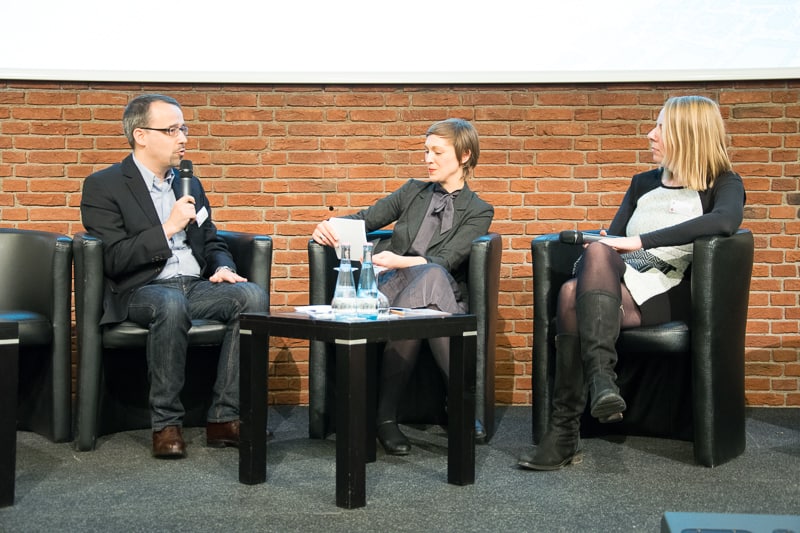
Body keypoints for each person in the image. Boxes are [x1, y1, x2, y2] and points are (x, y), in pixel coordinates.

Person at [518, 95, 746, 471]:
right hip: (627, 280)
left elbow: (724, 222)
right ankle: (602, 382)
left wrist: (641, 241)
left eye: (660, 127)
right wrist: (616, 244)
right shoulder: (643, 183)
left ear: (687, 134)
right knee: (584, 273)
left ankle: (566, 429)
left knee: (572, 296)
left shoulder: (722, 182)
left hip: (674, 289)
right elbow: (615, 242)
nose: (649, 134)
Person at [80, 94, 268, 459]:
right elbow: (114, 258)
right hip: (141, 289)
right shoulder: (104, 185)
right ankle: (166, 424)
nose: (182, 138)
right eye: (171, 130)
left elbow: (211, 239)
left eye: (183, 128)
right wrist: (167, 227)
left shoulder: (188, 184)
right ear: (141, 135)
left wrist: (223, 268)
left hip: (194, 286)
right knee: (170, 301)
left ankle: (224, 418)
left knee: (252, 297)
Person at [312, 118, 494, 455]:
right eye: (426, 151)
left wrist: (399, 259)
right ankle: (462, 404)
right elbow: (365, 218)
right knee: (424, 290)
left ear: (464, 155)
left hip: (437, 287)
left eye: (437, 152)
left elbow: (447, 258)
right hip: (389, 286)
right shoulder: (412, 191)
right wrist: (327, 226)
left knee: (431, 282)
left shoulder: (480, 210)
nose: (428, 159)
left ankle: (385, 418)